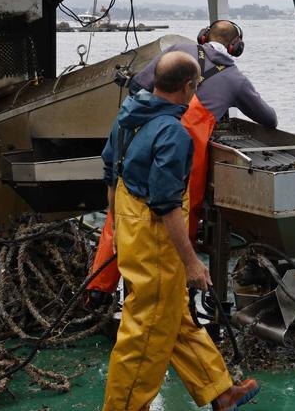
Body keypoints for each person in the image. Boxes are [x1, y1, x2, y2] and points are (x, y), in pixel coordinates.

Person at [100, 51, 259, 411]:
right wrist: (191, 262)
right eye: (197, 86)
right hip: (155, 238)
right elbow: (167, 205)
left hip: (129, 227)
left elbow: (111, 180)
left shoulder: (126, 118)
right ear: (189, 87)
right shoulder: (173, 132)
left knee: (173, 315)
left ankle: (219, 391)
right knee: (146, 331)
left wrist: (122, 233)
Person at [86, 20, 277, 306]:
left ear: (204, 35)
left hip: (146, 138)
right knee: (179, 214)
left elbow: (138, 85)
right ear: (235, 47)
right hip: (187, 150)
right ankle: (179, 286)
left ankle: (99, 289)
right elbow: (270, 119)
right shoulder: (235, 78)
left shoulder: (178, 50)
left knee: (125, 213)